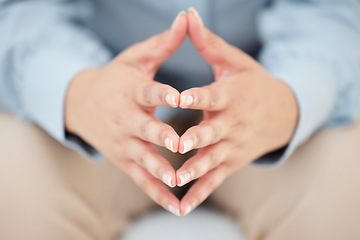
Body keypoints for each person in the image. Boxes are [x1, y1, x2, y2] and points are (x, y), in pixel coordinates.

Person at [0, 1, 360, 239]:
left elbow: (331, 14)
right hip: (102, 99)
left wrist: (288, 100)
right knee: (12, 174)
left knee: (347, 177)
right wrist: (77, 91)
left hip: (263, 92)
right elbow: (27, 10)